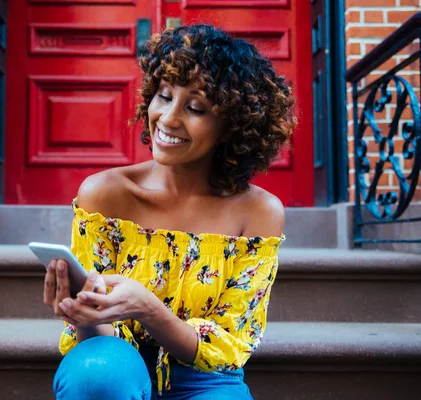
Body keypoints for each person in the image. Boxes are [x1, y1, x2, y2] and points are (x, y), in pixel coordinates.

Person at [43, 24, 296, 400]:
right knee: (97, 375)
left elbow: (231, 343)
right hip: (114, 360)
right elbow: (95, 341)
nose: (168, 118)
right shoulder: (105, 194)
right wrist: (82, 314)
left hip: (205, 377)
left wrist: (150, 310)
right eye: (163, 96)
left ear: (233, 125)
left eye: (194, 107)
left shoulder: (257, 212)